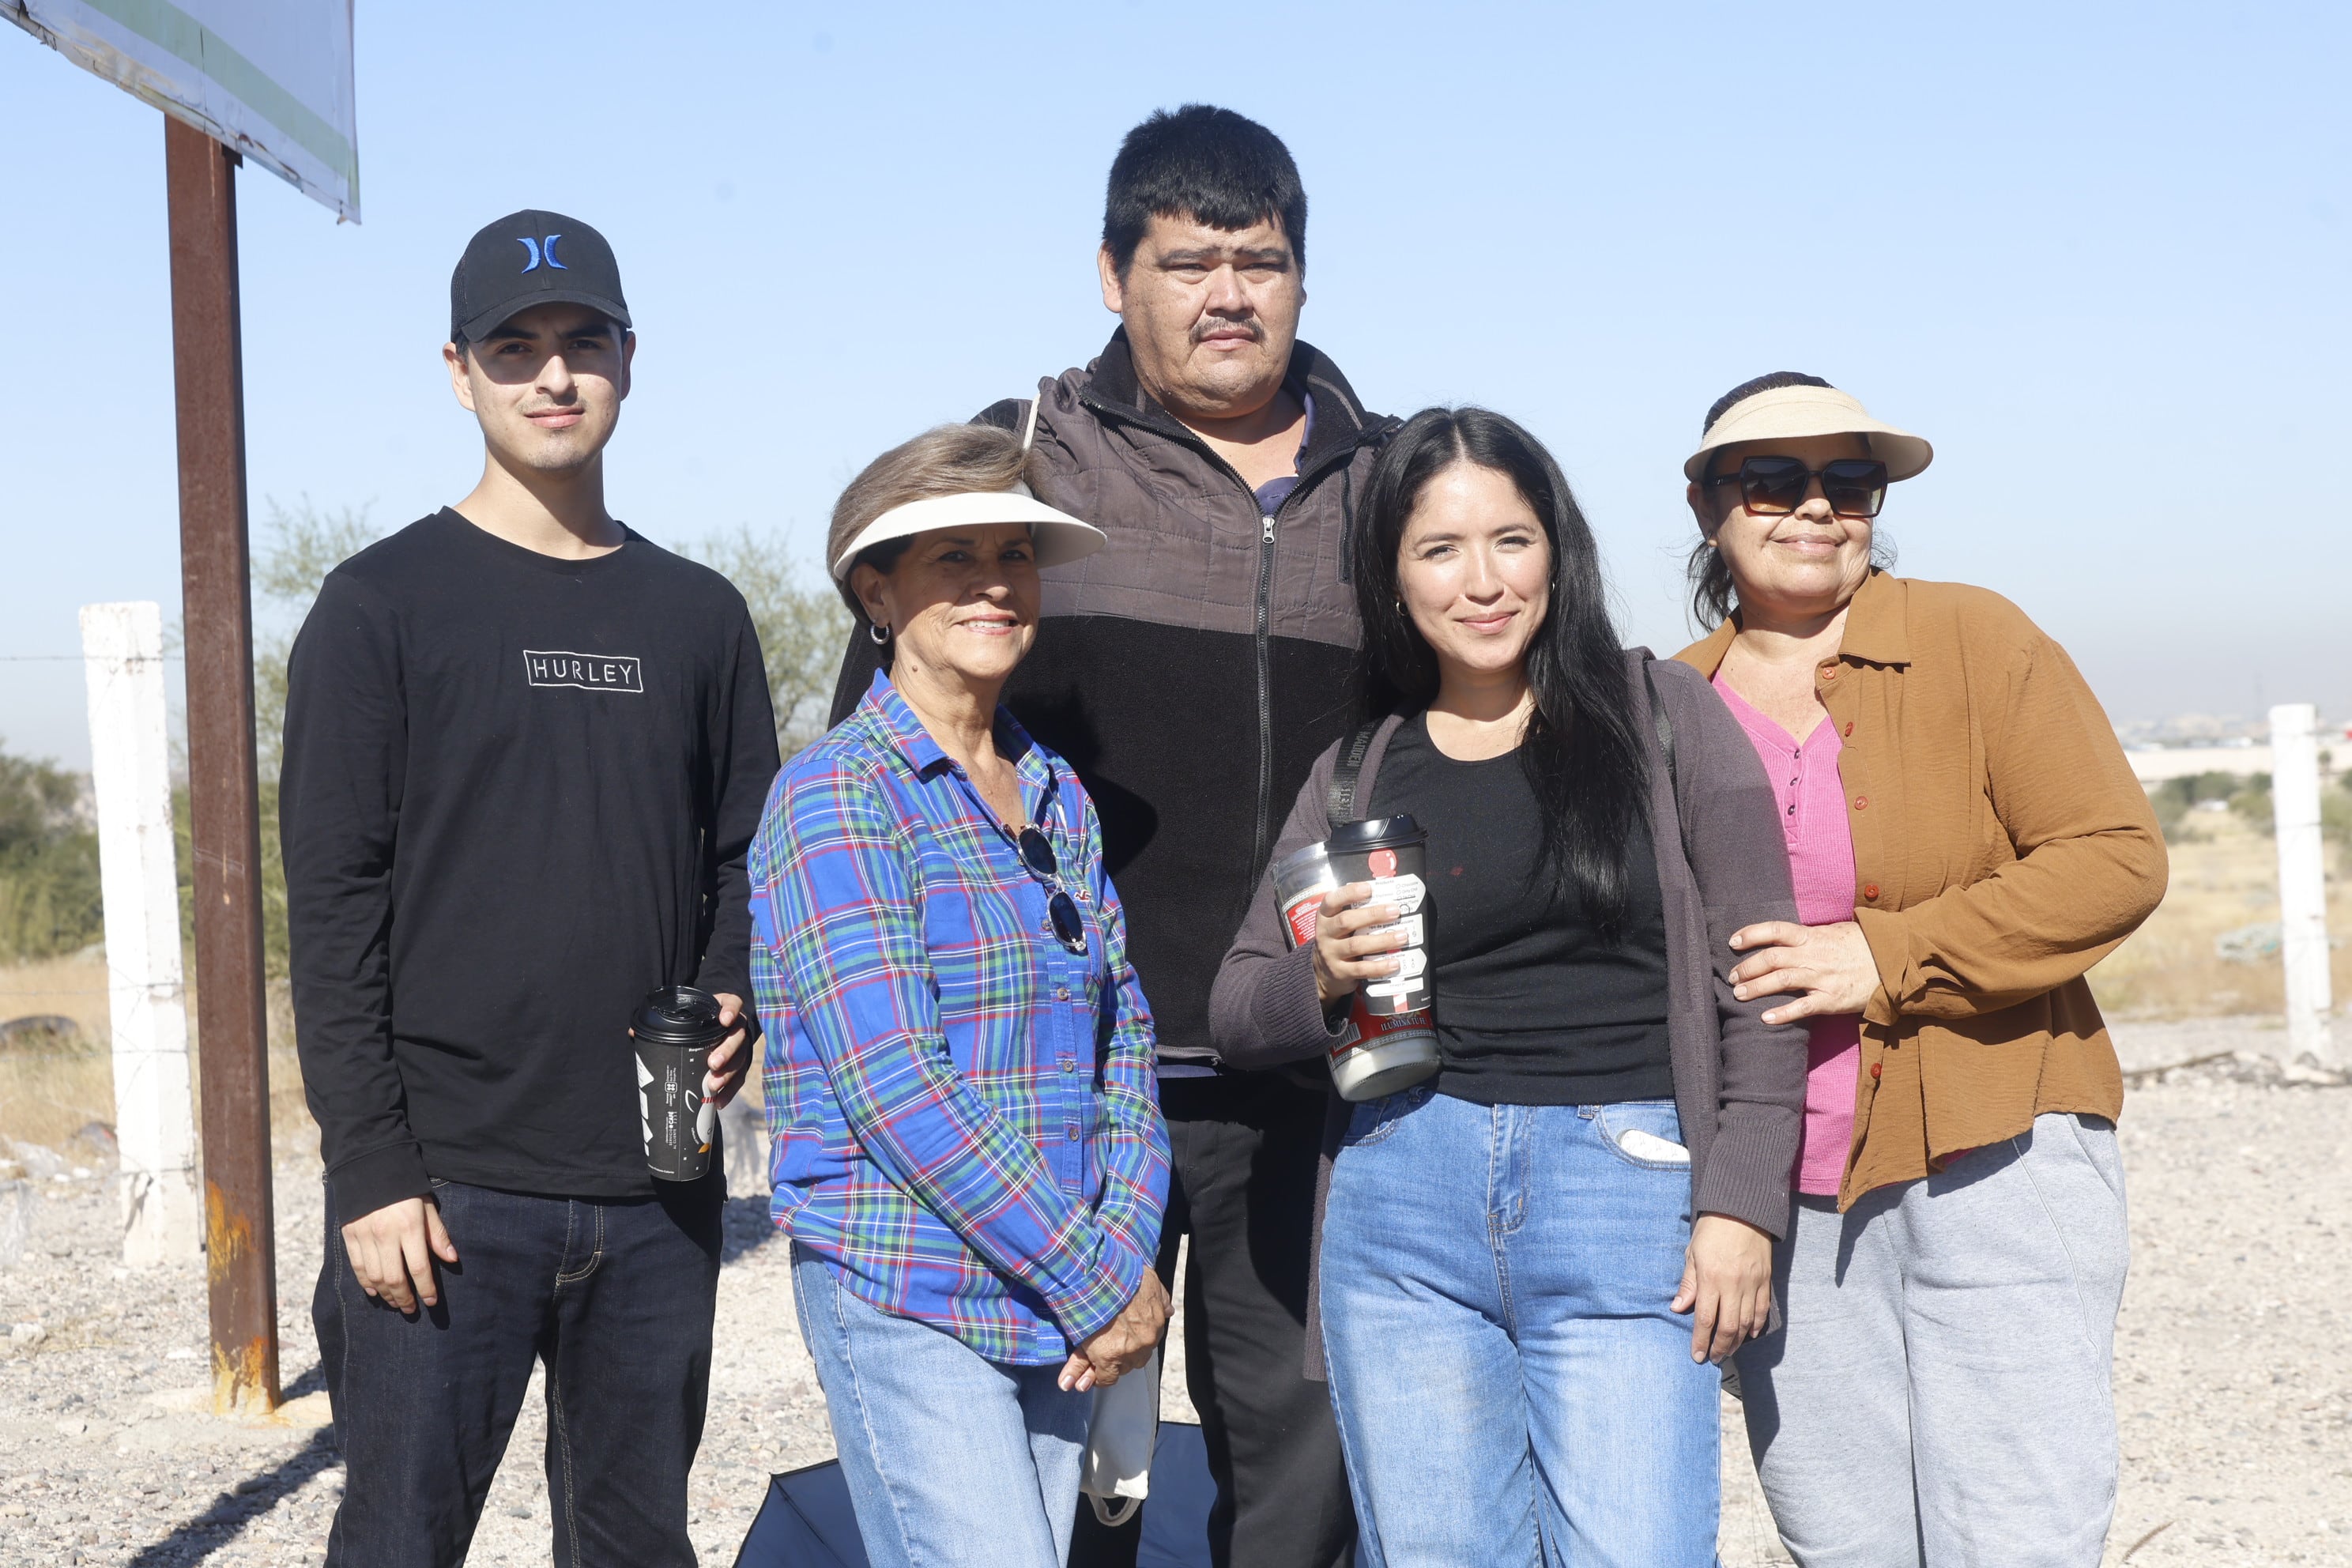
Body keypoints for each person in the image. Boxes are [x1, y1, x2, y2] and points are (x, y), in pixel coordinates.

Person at [828, 104, 1389, 1567]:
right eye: (1188, 261)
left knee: (1300, 1483)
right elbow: (869, 763)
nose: (1228, 295)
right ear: (1110, 274)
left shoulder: (1393, 487)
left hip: (1310, 1076)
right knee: (1075, 1484)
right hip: (1068, 1091)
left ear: (1303, 279)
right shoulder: (1019, 472)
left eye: (1259, 262)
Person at [1210, 407, 1807, 1565]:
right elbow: (1237, 1008)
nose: (1481, 582)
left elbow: (1766, 986)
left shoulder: (1663, 716)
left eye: (1511, 541)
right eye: (1439, 550)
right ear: (1392, 579)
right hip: (1400, 1206)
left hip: (1625, 1196)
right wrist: (1319, 978)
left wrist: (1741, 1204)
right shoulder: (1358, 769)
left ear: (1558, 550)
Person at [281, 211, 781, 1566]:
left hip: (659, 1186)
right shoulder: (381, 606)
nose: (553, 378)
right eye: (516, 349)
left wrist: (732, 986)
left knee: (634, 1547)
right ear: (459, 372)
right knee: (398, 1541)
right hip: (445, 1195)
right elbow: (330, 907)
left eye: (582, 345)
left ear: (629, 360)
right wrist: (371, 1171)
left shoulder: (697, 615)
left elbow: (745, 852)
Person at [1673, 372, 2169, 1567]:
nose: (1816, 508)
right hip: (1778, 1187)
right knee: (1844, 1542)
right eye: (1774, 481)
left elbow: (2115, 858)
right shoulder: (1666, 699)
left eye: (1849, 481)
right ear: (1708, 508)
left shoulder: (1973, 637)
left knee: (2018, 1538)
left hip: (1998, 1154)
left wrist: (1882, 955)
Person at [755, 423, 1172, 1568]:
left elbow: (1120, 1037)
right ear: (875, 593)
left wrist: (1126, 1247)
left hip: (1058, 1306)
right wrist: (1098, 1275)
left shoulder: (1054, 792)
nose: (995, 580)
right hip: (910, 1292)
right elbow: (897, 1089)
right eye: (952, 556)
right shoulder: (836, 798)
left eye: (1014, 551)